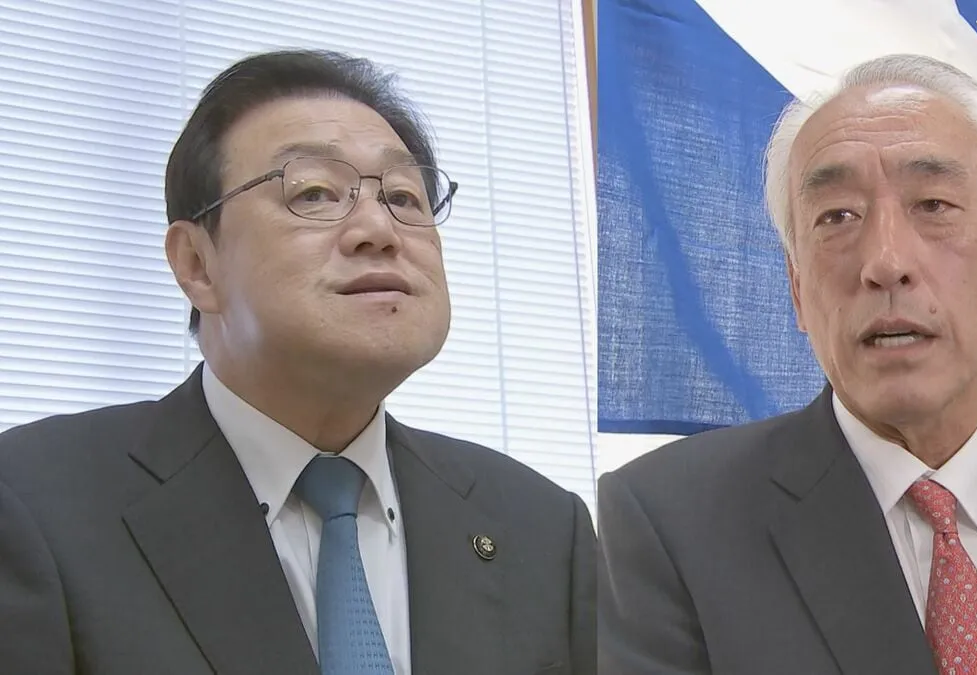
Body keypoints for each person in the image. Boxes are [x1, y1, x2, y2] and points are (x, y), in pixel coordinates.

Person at [597, 54, 977, 675]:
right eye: (837, 216)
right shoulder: (669, 526)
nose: (886, 262)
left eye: (933, 204)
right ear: (797, 288)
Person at [0, 49, 595, 675]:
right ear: (197, 265)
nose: (379, 230)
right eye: (313, 193)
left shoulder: (544, 527)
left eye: (404, 196)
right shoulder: (33, 504)